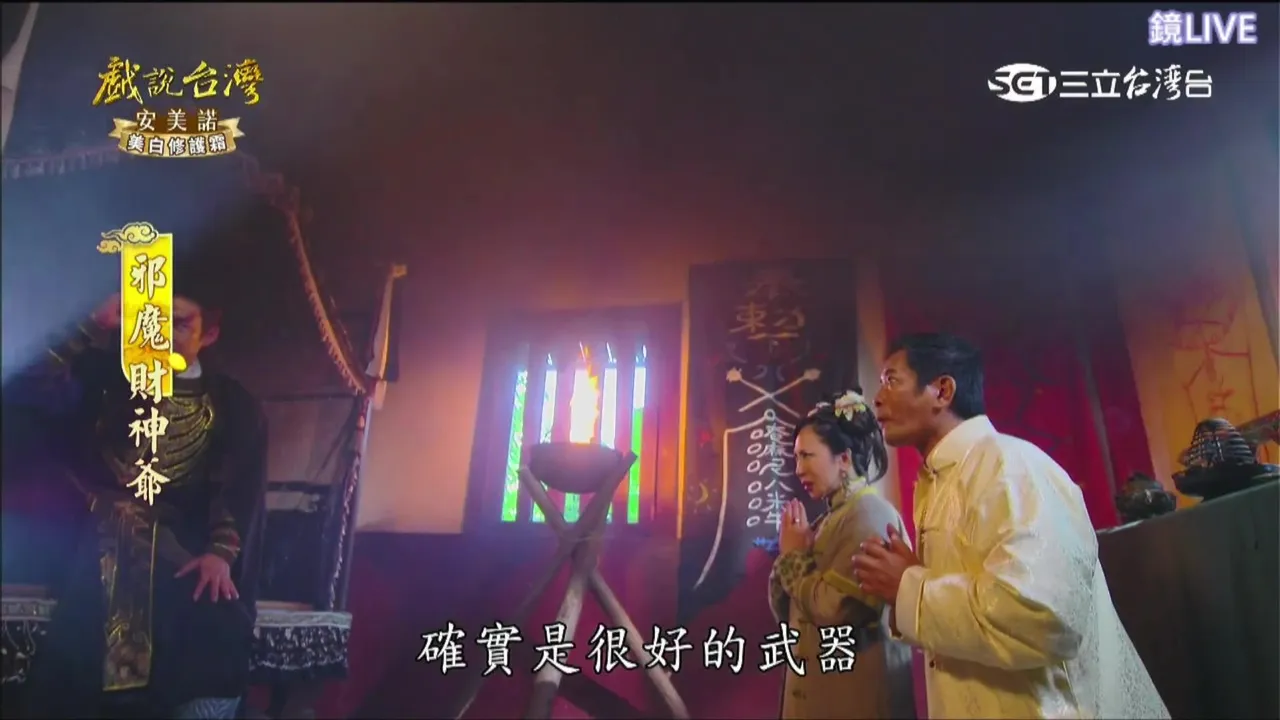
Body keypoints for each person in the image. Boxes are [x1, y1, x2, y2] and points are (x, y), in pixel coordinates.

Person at [851, 332, 1169, 719]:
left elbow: (1039, 616)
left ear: (942, 391)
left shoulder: (1009, 466)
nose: (877, 398)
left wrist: (909, 588)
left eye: (892, 380)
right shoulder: (939, 483)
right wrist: (910, 583)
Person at [24, 286, 268, 720]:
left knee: (213, 630)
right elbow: (31, 382)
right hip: (96, 541)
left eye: (180, 323)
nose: (163, 333)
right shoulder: (105, 379)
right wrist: (90, 326)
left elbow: (238, 484)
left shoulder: (231, 403)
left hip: (188, 547)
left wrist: (220, 552)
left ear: (209, 334)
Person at [768, 389, 917, 720]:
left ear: (844, 459)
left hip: (854, 696)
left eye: (807, 456)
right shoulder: (831, 518)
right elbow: (792, 614)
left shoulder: (868, 514)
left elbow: (837, 610)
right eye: (796, 458)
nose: (799, 469)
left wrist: (793, 558)